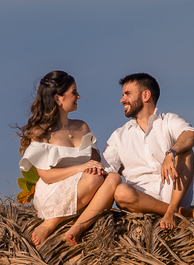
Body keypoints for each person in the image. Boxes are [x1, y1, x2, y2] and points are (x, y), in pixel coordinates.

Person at [17, 71, 124, 246]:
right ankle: (50, 224)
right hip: (54, 190)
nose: (78, 96)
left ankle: (76, 229)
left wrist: (94, 166)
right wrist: (80, 168)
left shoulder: (82, 126)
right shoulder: (41, 131)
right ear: (58, 98)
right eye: (74, 92)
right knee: (94, 178)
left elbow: (95, 159)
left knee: (114, 178)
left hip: (87, 185)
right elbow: (46, 176)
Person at [103, 73, 194, 230]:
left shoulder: (168, 120)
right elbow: (107, 171)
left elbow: (191, 135)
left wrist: (171, 152)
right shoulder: (118, 136)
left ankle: (173, 209)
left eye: (127, 94)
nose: (122, 100)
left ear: (145, 95)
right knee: (120, 191)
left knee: (186, 151)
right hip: (140, 200)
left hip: (173, 192)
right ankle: (181, 213)